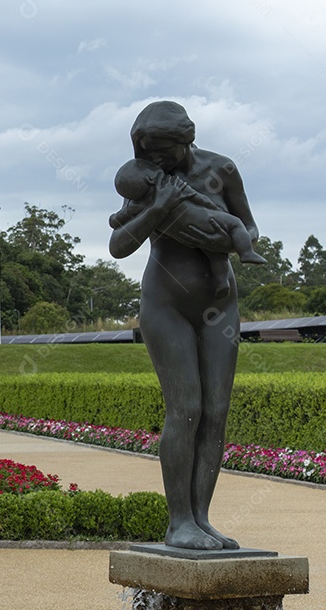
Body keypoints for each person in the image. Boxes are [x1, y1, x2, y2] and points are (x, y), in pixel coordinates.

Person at [109, 100, 258, 551]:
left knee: (215, 411)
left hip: (220, 303)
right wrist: (159, 210)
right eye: (146, 150)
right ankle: (179, 523)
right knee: (186, 408)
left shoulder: (222, 170)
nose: (152, 159)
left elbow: (249, 226)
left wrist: (222, 237)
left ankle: (202, 519)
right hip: (165, 302)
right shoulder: (145, 177)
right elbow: (118, 244)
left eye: (161, 151)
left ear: (185, 140)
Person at [110, 157, 266, 299]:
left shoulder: (140, 203)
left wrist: (115, 219)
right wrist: (212, 209)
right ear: (151, 177)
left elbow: (123, 215)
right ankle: (242, 257)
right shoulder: (174, 185)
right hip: (204, 219)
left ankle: (223, 278)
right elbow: (197, 197)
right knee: (234, 227)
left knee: (214, 249)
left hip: (184, 232)